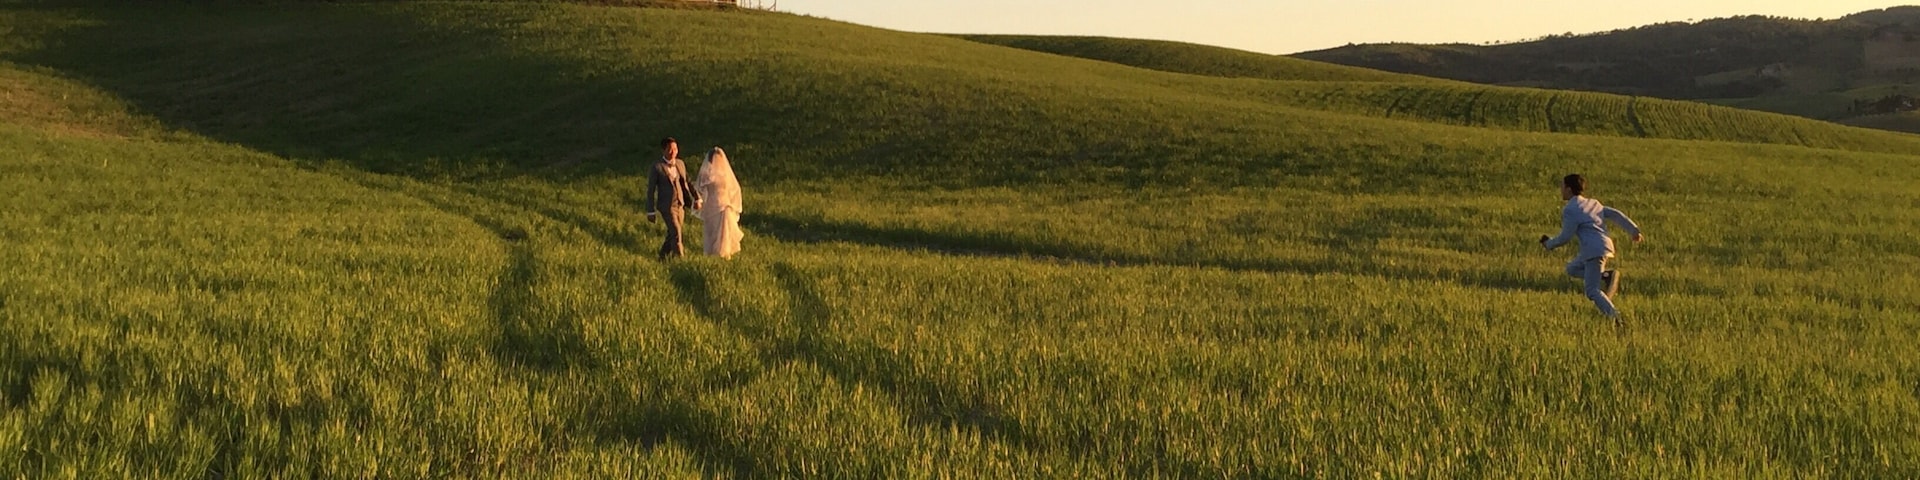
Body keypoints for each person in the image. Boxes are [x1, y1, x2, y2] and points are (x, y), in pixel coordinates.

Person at [1541, 174, 1644, 319]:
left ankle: (1616, 317)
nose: (1561, 190)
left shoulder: (1571, 209)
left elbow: (1565, 237)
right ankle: (1606, 276)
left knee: (1592, 290)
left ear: (1569, 189)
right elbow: (1615, 214)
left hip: (1593, 250)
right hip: (1601, 246)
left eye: (1562, 187)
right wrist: (1634, 230)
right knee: (1572, 268)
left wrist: (1549, 244)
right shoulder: (1593, 203)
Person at [646, 137, 701, 260]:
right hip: (667, 206)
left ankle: (662, 258)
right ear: (664, 150)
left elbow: (688, 181)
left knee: (672, 234)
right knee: (676, 232)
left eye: (675, 149)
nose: (673, 152)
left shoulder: (680, 164)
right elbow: (650, 190)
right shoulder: (657, 167)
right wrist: (650, 211)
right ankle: (681, 260)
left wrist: (697, 198)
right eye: (670, 149)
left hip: (680, 204)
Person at [695, 147, 745, 259]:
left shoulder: (726, 174)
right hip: (711, 206)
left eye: (720, 159)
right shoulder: (706, 173)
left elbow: (735, 188)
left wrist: (731, 203)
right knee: (712, 231)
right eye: (715, 159)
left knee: (724, 232)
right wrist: (699, 200)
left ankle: (724, 254)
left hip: (724, 205)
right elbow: (699, 189)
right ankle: (712, 254)